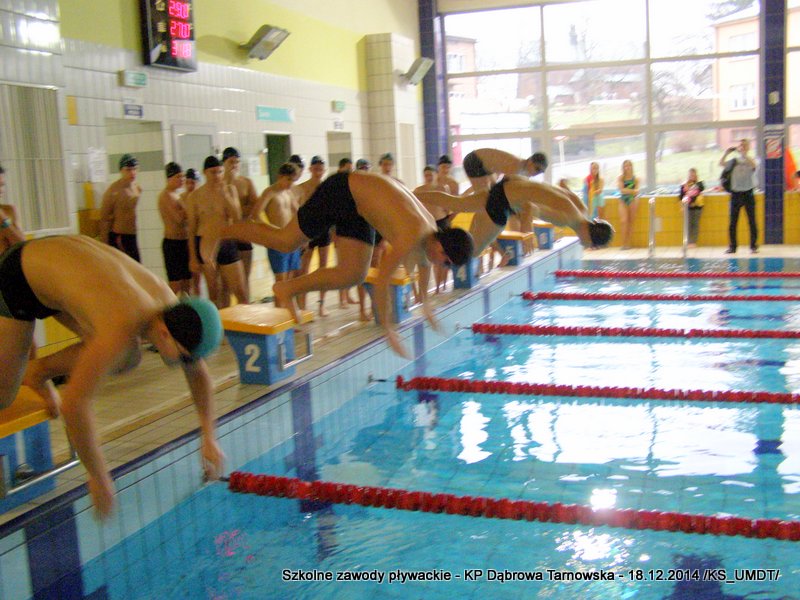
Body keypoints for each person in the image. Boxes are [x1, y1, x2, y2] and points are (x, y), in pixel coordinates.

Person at [0, 234, 224, 518]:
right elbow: (74, 404)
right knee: (4, 396)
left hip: (57, 270)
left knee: (126, 357)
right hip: (19, 277)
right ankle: (37, 371)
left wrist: (209, 436)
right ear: (165, 334)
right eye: (184, 357)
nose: (185, 364)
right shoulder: (123, 321)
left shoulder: (171, 308)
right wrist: (98, 475)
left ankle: (39, 372)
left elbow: (198, 374)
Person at [201, 172, 474, 357]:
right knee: (285, 241)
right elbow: (382, 281)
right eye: (446, 262)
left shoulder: (431, 236)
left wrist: (426, 307)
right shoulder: (412, 234)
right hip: (344, 191)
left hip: (360, 208)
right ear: (442, 248)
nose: (442, 267)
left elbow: (424, 266)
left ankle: (287, 289)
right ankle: (222, 230)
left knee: (353, 274)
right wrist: (388, 329)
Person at [415, 175, 613, 255]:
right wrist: (527, 233)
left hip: (512, 184)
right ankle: (436, 247)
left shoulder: (582, 210)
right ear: (591, 238)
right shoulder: (567, 219)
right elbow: (530, 207)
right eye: (593, 245)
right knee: (472, 251)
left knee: (457, 203)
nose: (589, 247)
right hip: (504, 202)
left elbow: (563, 187)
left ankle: (411, 195)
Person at [186, 156, 248, 308]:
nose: (217, 176)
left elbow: (237, 217)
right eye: (213, 172)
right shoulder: (195, 196)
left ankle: (240, 322)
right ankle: (220, 322)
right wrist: (193, 258)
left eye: (220, 172)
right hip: (205, 243)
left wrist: (225, 195)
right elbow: (191, 229)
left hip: (227, 242)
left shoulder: (230, 190)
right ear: (205, 172)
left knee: (240, 292)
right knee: (215, 293)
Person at [251, 162, 301, 306]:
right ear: (280, 176)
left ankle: (288, 313)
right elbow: (255, 216)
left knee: (290, 281)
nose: (290, 183)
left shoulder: (289, 193)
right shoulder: (269, 192)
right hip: (277, 241)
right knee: (281, 281)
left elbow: (297, 213)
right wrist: (273, 230)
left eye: (293, 180)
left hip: (292, 240)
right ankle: (279, 313)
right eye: (288, 179)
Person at [297, 155, 331, 316]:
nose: (318, 171)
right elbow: (298, 212)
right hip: (308, 232)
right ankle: (302, 306)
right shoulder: (302, 188)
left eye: (320, 169)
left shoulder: (327, 188)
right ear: (310, 169)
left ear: (324, 170)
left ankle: (321, 304)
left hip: (324, 231)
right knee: (304, 270)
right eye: (315, 168)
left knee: (323, 270)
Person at [222, 147, 259, 293]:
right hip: (226, 236)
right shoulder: (218, 185)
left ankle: (246, 306)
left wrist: (235, 211)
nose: (235, 165)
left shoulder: (246, 182)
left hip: (243, 235)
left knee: (244, 279)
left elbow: (256, 207)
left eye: (237, 162)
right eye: (231, 162)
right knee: (225, 282)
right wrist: (239, 210)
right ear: (224, 163)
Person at [415, 166, 453, 294]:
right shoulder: (419, 190)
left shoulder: (442, 188)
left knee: (444, 255)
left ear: (436, 175)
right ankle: (435, 288)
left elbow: (448, 208)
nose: (429, 177)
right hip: (428, 225)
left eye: (430, 174)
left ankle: (442, 285)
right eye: (426, 175)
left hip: (442, 222)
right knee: (431, 257)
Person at [99, 154, 142, 262]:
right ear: (121, 171)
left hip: (132, 235)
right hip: (119, 237)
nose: (132, 173)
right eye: (128, 170)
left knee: (136, 267)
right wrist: (104, 246)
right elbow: (104, 219)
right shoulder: (113, 191)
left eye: (135, 169)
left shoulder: (137, 188)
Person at [158, 162, 192, 295]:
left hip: (183, 242)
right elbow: (179, 220)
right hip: (173, 244)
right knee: (175, 284)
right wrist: (189, 207)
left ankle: (185, 308)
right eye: (178, 176)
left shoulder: (177, 195)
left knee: (187, 284)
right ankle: (167, 307)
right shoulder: (166, 196)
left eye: (183, 176)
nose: (182, 179)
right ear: (169, 178)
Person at [720, 139, 758, 254]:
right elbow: (721, 164)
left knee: (752, 221)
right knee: (733, 222)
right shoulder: (734, 161)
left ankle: (753, 246)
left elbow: (754, 166)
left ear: (748, 147)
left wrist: (745, 155)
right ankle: (733, 247)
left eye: (745, 145)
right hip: (736, 193)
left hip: (748, 193)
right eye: (741, 145)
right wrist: (726, 153)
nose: (742, 147)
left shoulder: (751, 160)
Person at [461, 148, 548, 191]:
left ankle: (458, 200)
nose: (537, 173)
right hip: (474, 160)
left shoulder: (522, 170)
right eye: (537, 169)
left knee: (487, 192)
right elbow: (505, 186)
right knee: (484, 198)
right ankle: (456, 205)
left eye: (540, 172)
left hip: (485, 166)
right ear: (530, 162)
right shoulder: (516, 165)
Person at [181, 169, 201, 295]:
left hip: (199, 239)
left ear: (198, 183)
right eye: (187, 183)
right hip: (186, 241)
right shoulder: (181, 198)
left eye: (192, 182)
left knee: (198, 280)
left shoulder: (202, 198)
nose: (190, 186)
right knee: (189, 280)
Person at [616, 159, 640, 250]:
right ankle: (623, 243)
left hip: (633, 200)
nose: (627, 168)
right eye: (625, 166)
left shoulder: (636, 179)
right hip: (623, 200)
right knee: (623, 221)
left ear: (631, 167)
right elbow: (622, 190)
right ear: (623, 168)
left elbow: (637, 191)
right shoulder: (620, 178)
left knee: (631, 221)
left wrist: (628, 191)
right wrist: (632, 191)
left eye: (629, 166)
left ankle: (628, 243)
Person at [679, 168, 705, 248]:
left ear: (696, 175)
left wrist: (692, 185)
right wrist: (682, 206)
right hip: (688, 207)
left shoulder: (700, 184)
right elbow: (681, 196)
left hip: (697, 207)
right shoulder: (684, 185)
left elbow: (699, 190)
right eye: (690, 175)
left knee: (695, 224)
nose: (692, 177)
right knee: (688, 224)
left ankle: (693, 241)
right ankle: (688, 241)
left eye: (693, 175)